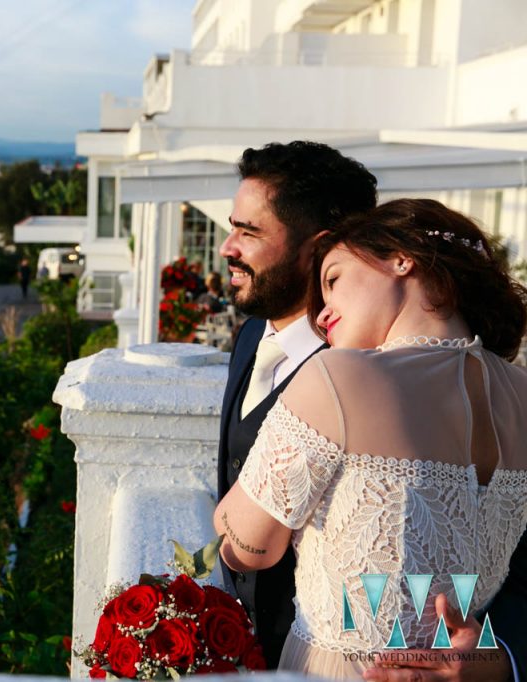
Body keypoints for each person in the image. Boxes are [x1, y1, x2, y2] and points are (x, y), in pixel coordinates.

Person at [215, 198, 527, 679]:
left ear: (403, 259)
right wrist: (497, 663)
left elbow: (250, 548)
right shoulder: (523, 393)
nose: (321, 317)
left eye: (333, 279)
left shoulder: (338, 376)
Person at [216, 141, 379, 668]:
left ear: (318, 247)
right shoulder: (249, 336)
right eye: (232, 226)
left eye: (249, 232)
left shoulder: (375, 374)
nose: (226, 247)